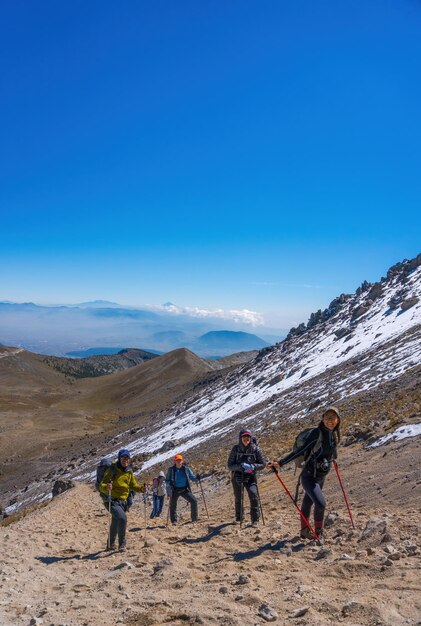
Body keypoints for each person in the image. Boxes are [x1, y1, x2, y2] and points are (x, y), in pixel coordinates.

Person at [270, 406, 341, 540]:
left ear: (338, 420)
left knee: (308, 502)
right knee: (321, 504)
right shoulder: (316, 433)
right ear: (323, 419)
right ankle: (318, 532)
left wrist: (332, 460)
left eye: (333, 418)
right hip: (309, 476)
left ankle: (304, 531)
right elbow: (300, 451)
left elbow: (330, 451)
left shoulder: (334, 434)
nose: (329, 420)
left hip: (321, 476)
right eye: (327, 418)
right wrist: (280, 463)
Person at [99, 448, 145, 551]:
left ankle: (110, 545)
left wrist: (141, 489)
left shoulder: (129, 471)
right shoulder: (112, 469)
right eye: (123, 458)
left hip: (122, 502)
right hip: (110, 500)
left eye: (127, 458)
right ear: (119, 458)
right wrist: (106, 487)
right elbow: (102, 484)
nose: (125, 460)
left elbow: (133, 485)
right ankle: (122, 544)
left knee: (115, 522)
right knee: (122, 518)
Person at [227, 429, 267, 527]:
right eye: (244, 437)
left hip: (250, 476)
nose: (246, 438)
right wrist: (240, 467)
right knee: (238, 497)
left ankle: (255, 520)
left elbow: (263, 464)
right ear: (240, 438)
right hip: (237, 475)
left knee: (253, 495)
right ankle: (239, 518)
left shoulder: (256, 449)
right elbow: (229, 465)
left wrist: (253, 467)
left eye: (248, 437)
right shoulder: (235, 449)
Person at [166, 454, 199, 524]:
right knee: (173, 505)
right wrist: (169, 487)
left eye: (180, 460)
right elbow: (167, 480)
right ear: (174, 461)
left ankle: (194, 519)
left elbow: (192, 477)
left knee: (194, 501)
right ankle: (174, 521)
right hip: (174, 490)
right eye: (177, 460)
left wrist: (197, 478)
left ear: (182, 461)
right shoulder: (171, 470)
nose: (178, 461)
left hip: (184, 489)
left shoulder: (186, 469)